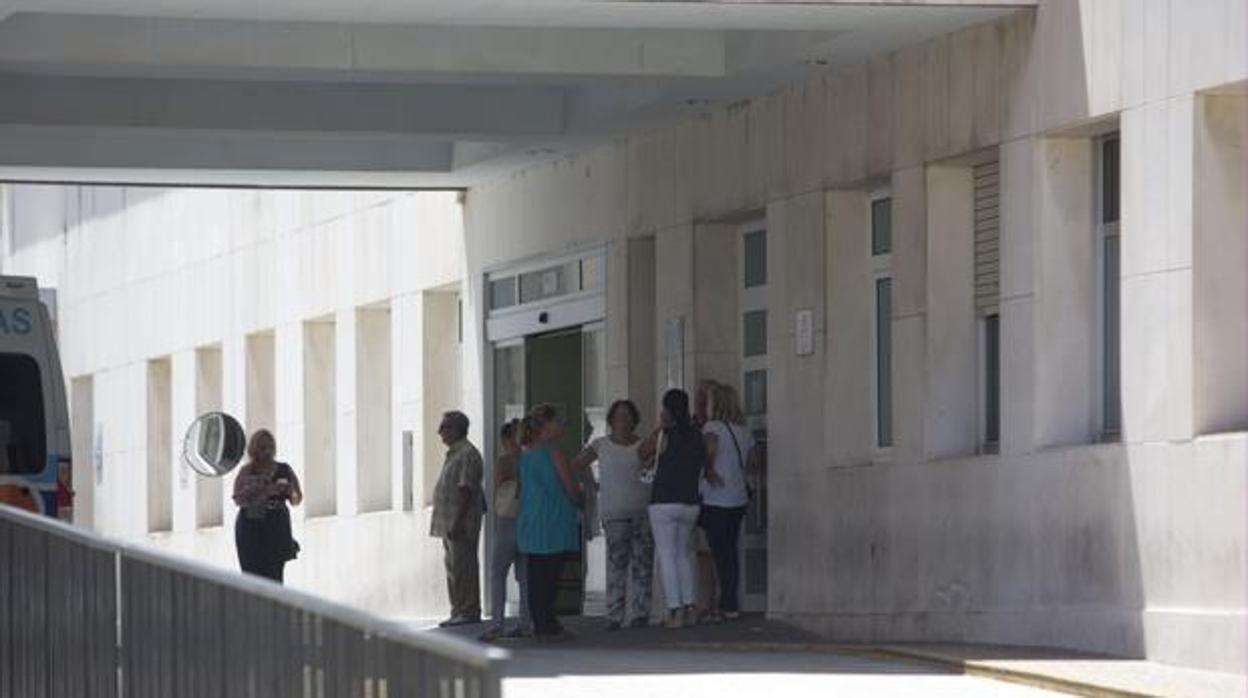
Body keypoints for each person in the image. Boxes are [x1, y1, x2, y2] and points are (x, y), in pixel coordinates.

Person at [571, 399, 653, 630]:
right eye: (619, 416)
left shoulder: (643, 445)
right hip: (614, 512)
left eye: (627, 416)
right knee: (616, 563)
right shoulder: (601, 445)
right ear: (611, 420)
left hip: (641, 510)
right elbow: (576, 464)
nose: (623, 420)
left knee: (642, 563)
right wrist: (591, 486)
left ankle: (640, 612)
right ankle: (615, 614)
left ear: (634, 420)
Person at [641, 389, 711, 629]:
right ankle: (691, 607)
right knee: (683, 555)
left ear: (667, 410)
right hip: (690, 502)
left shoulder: (663, 435)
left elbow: (643, 452)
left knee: (667, 556)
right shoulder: (697, 435)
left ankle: (675, 610)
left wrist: (660, 426)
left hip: (664, 501)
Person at [517, 404, 583, 641]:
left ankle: (540, 621)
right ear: (547, 425)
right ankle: (548, 623)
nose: (562, 425)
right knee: (551, 573)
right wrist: (580, 499)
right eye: (558, 421)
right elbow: (570, 487)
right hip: (553, 518)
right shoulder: (554, 453)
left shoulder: (526, 453)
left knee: (536, 574)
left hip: (531, 519)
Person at [699, 384, 755, 622]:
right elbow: (752, 463)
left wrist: (709, 468)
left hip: (715, 498)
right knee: (729, 551)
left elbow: (709, 446)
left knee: (719, 552)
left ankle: (725, 605)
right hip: (738, 498)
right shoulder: (744, 431)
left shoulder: (712, 427)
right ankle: (730, 603)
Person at [430, 410, 485, 627]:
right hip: (449, 522)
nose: (439, 432)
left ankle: (468, 609)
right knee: (453, 567)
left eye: (444, 427)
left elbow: (466, 489)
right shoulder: (454, 453)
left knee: (464, 566)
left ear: (457, 429)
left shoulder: (467, 454)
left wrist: (458, 521)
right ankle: (458, 609)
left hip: (460, 522)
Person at [481, 419, 531, 641]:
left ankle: (498, 623)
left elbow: (499, 487)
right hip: (525, 520)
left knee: (498, 572)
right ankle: (524, 622)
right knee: (524, 575)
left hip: (508, 520)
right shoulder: (531, 459)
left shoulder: (506, 462)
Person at [232, 429, 303, 583]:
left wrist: (290, 491)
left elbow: (297, 500)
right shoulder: (247, 471)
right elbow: (238, 498)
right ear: (254, 450)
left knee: (275, 571)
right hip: (251, 524)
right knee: (253, 573)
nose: (267, 451)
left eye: (270, 447)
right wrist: (264, 491)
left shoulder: (284, 469)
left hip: (277, 522)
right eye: (263, 447)